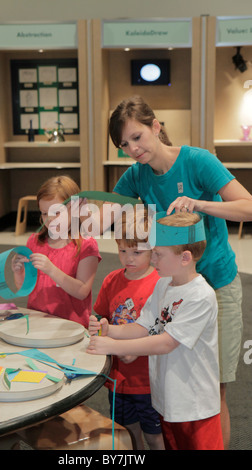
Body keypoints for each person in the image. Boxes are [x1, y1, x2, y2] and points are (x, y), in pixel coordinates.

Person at [105, 95, 252, 448]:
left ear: (156, 127)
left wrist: (200, 204)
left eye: (137, 137)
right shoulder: (136, 176)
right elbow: (113, 215)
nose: (133, 149)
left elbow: (248, 207)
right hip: (171, 288)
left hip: (215, 282)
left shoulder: (198, 161)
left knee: (212, 390)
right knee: (173, 384)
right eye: (124, 144)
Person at [87, 212, 224, 450]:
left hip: (194, 404)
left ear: (185, 257)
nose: (152, 260)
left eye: (158, 254)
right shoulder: (163, 284)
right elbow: (143, 326)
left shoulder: (200, 296)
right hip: (166, 398)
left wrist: (113, 346)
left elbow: (166, 342)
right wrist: (112, 331)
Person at [93, 206, 164, 450]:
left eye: (137, 251)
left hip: (150, 381)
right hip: (118, 379)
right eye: (123, 250)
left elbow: (165, 330)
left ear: (154, 251)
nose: (128, 258)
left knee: (155, 436)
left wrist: (136, 350)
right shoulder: (112, 280)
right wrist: (100, 325)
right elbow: (103, 316)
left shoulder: (161, 283)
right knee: (128, 433)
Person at [11, 175, 101, 328]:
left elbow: (82, 291)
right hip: (37, 323)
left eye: (56, 213)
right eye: (44, 213)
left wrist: (51, 270)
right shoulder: (34, 241)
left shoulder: (86, 245)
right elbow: (25, 289)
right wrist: (18, 272)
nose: (50, 219)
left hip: (71, 328)